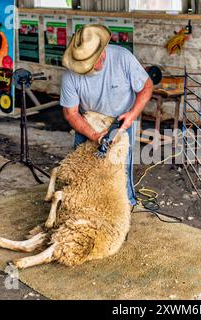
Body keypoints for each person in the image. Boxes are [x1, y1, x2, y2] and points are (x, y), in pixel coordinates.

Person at [60, 24, 153, 207]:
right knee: (84, 169)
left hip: (122, 119)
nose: (99, 61)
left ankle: (125, 207)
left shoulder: (122, 58)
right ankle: (86, 208)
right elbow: (71, 113)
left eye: (99, 55)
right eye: (91, 61)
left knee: (120, 169)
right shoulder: (70, 76)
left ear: (103, 48)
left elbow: (146, 86)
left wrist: (132, 115)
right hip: (88, 121)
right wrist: (94, 135)